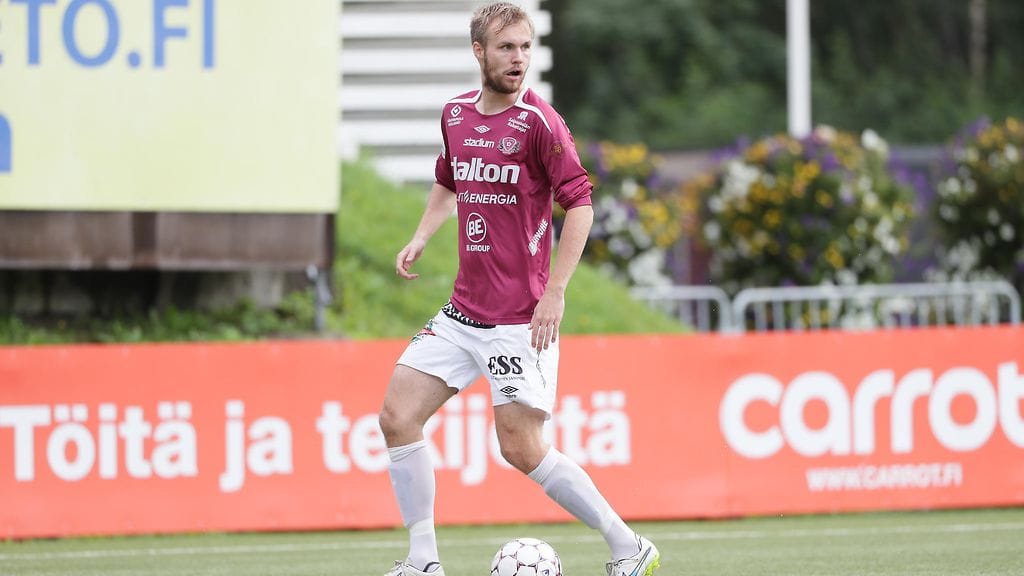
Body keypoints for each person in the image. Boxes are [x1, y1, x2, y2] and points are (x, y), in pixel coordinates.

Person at [378, 3, 660, 576]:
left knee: (521, 448)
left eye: (526, 47)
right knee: (396, 415)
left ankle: (629, 546)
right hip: (462, 312)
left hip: (517, 320)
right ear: (479, 52)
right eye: (507, 47)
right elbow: (448, 180)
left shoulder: (540, 124)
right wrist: (421, 236)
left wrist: (555, 293)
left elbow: (580, 205)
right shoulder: (455, 115)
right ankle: (423, 561)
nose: (519, 58)